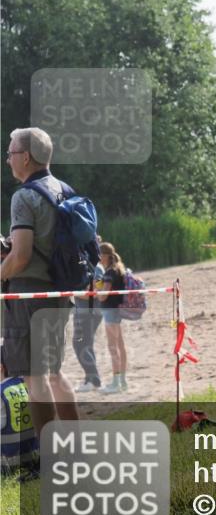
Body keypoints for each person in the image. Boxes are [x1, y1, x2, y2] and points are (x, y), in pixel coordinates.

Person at [0, 127, 79, 433]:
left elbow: (20, 257)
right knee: (55, 373)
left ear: (26, 157)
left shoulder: (24, 197)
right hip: (60, 293)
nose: (8, 160)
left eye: (10, 153)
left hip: (30, 295)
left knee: (36, 378)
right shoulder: (65, 190)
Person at [95, 242, 130, 394]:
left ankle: (116, 383)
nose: (98, 258)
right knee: (120, 347)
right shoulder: (118, 269)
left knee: (112, 347)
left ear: (105, 256)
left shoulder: (109, 273)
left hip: (110, 312)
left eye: (99, 255)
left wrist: (96, 291)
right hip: (116, 311)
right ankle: (122, 381)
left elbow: (103, 297)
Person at [72, 251, 105, 393]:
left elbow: (97, 290)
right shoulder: (92, 266)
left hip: (89, 312)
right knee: (86, 344)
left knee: (79, 344)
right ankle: (90, 379)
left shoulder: (95, 267)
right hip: (87, 311)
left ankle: (93, 379)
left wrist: (72, 291)